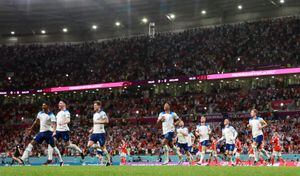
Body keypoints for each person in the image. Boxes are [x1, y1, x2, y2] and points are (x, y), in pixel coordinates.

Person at [46, 100, 84, 165]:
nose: (59, 104)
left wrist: (62, 123)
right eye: (59, 103)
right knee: (51, 142)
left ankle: (80, 151)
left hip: (64, 130)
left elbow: (68, 120)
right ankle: (50, 159)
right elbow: (55, 122)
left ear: (64, 104)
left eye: (60, 103)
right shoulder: (58, 113)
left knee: (68, 145)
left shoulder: (66, 112)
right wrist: (53, 128)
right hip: (58, 131)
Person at [87, 100, 111, 166]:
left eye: (95, 105)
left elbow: (106, 121)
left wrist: (98, 122)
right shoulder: (94, 114)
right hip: (94, 133)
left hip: (101, 133)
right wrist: (92, 129)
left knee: (103, 148)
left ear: (99, 106)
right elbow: (94, 123)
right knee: (89, 145)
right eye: (94, 105)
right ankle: (99, 147)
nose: (94, 107)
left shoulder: (102, 113)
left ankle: (108, 161)